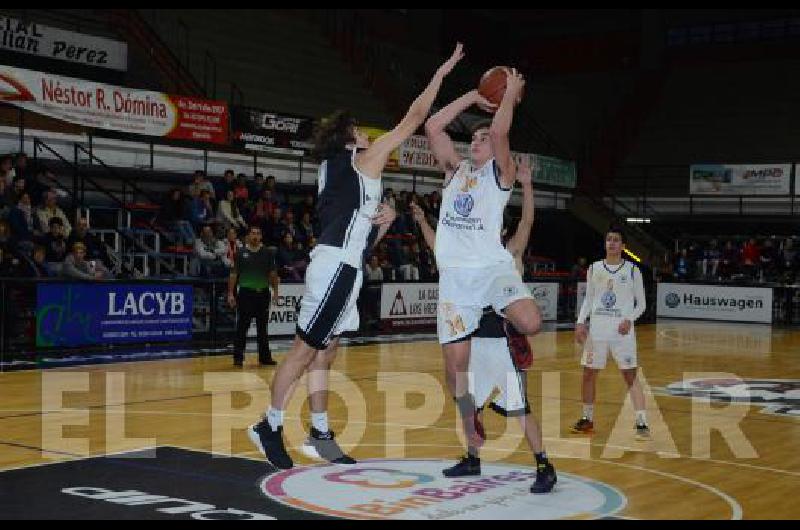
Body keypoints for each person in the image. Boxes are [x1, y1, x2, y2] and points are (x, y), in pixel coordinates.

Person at [247, 43, 465, 470]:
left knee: (325, 352)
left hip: (344, 264)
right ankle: (268, 425)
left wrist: (384, 219)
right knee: (303, 352)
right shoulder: (362, 160)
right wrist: (442, 72)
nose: (370, 135)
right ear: (351, 137)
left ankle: (320, 434)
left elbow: (358, 235)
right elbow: (414, 119)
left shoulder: (339, 172)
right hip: (335, 270)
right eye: (362, 131)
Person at [411, 158, 556, 493]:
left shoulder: (509, 254)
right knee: (466, 403)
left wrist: (527, 184)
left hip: (501, 346)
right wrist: (421, 221)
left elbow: (528, 221)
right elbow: (439, 250)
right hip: (475, 341)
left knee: (520, 408)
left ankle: (544, 465)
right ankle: (472, 457)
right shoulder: (468, 256)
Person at [424, 67, 543, 470]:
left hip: (491, 269)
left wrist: (508, 94)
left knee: (531, 322)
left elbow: (499, 134)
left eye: (481, 138)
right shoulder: (455, 172)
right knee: (454, 368)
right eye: (472, 137)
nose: (476, 140)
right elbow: (433, 125)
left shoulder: (501, 175)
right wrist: (473, 98)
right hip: (456, 279)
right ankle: (470, 422)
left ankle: (507, 329)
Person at [573, 224, 649, 440]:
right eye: (609, 239)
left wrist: (629, 319)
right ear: (605, 243)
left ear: (623, 246)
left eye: (616, 240)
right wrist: (580, 322)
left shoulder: (633, 271)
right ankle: (587, 418)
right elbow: (589, 299)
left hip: (621, 334)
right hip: (596, 332)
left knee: (630, 376)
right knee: (588, 374)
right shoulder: (594, 268)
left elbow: (641, 304)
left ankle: (641, 421)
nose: (612, 243)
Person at [227, 226, 279, 367]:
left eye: (258, 233)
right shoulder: (240, 253)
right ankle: (238, 358)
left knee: (263, 328)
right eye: (253, 233)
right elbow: (233, 274)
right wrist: (230, 293)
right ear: (248, 236)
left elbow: (273, 274)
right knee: (242, 327)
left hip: (262, 293)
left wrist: (276, 292)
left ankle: (265, 358)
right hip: (246, 294)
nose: (255, 236)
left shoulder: (268, 253)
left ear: (261, 236)